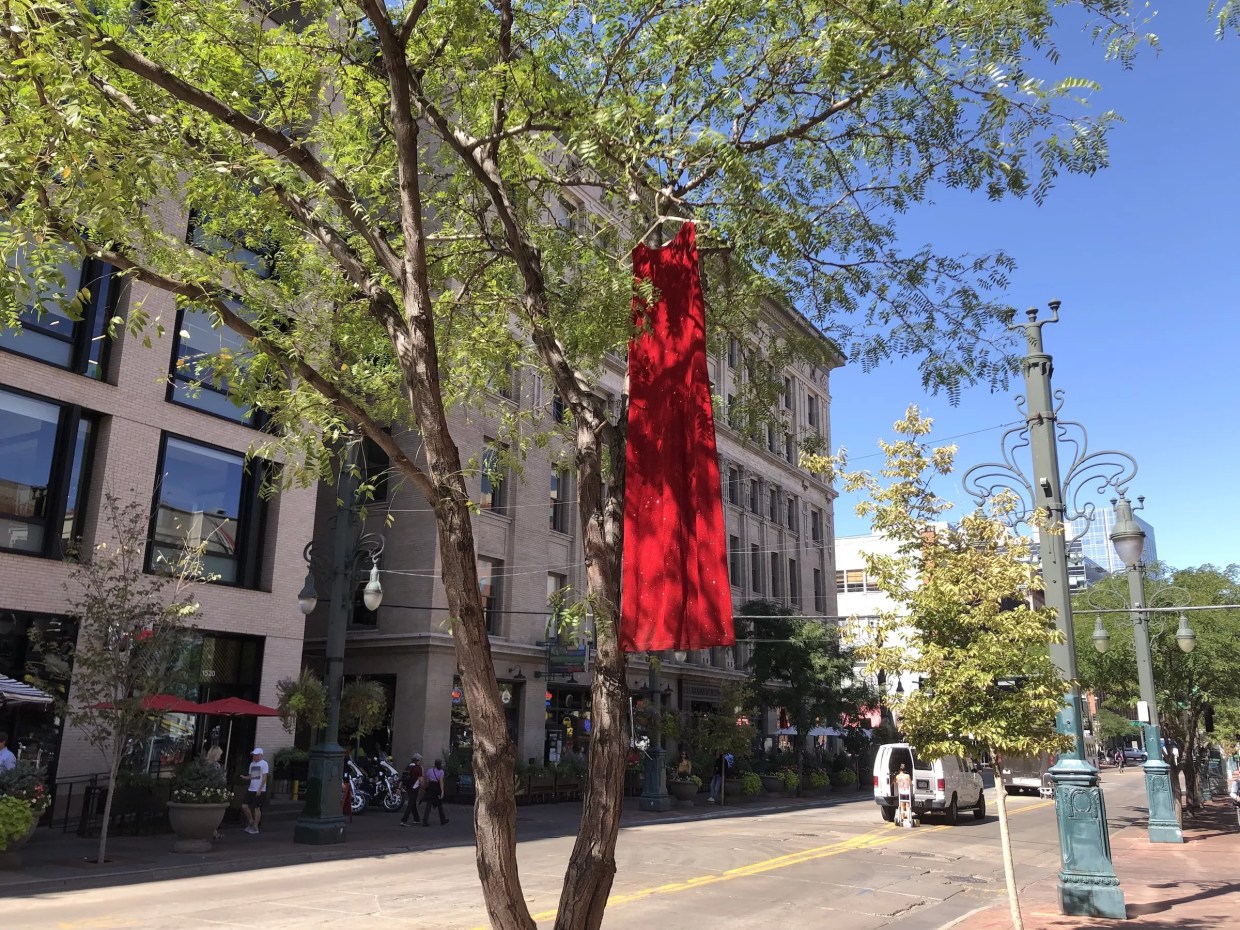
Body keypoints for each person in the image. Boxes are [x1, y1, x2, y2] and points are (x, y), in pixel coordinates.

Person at [241, 747, 268, 835]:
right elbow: (253, 776)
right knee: (244, 806)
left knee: (257, 808)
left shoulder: (264, 764)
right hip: (251, 788)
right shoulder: (252, 764)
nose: (254, 757)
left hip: (259, 790)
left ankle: (256, 826)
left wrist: (260, 789)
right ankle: (251, 821)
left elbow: (264, 778)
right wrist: (245, 777)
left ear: (261, 755)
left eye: (256, 755)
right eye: (253, 755)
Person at [420, 758, 449, 826]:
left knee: (428, 805)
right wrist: (442, 791)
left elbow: (427, 780)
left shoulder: (430, 770)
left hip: (431, 788)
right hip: (437, 788)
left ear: (435, 764)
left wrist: (426, 788)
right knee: (439, 805)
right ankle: (443, 820)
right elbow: (441, 782)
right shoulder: (441, 771)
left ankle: (425, 821)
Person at [399, 753, 425, 826]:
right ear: (418, 760)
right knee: (411, 803)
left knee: (412, 802)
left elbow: (402, 778)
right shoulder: (418, 768)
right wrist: (423, 787)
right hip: (415, 787)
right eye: (420, 760)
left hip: (408, 787)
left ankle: (416, 819)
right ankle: (404, 820)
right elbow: (421, 779)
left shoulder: (408, 767)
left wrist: (399, 787)